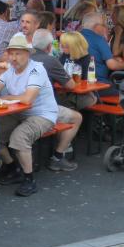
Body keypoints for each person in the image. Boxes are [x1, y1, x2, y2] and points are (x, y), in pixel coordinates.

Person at [0, 33, 58, 197]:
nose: (14, 57)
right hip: (18, 113)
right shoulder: (9, 70)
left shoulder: (36, 69)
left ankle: (29, 179)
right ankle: (13, 167)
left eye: (18, 53)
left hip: (42, 114)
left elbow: (27, 99)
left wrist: (7, 97)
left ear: (27, 54)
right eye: (11, 53)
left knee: (19, 137)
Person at [31, 29, 83, 171]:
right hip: (41, 109)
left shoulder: (23, 56)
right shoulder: (50, 60)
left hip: (23, 105)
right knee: (76, 117)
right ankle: (58, 157)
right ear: (49, 47)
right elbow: (71, 85)